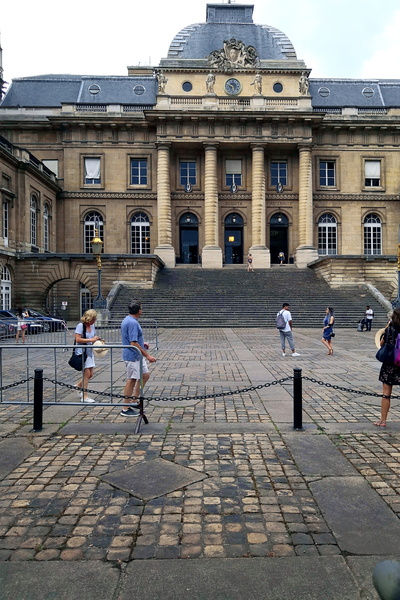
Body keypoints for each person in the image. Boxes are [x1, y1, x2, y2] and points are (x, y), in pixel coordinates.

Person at [120, 300, 157, 417]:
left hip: (136, 354)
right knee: (131, 380)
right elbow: (133, 342)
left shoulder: (129, 320)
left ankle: (134, 400)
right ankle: (125, 408)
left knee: (145, 375)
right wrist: (147, 355)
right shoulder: (133, 323)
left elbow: (134, 340)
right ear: (139, 311)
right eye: (141, 308)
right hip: (133, 356)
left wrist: (142, 343)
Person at [375, 308, 400, 427]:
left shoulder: (389, 329)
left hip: (390, 363)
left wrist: (387, 327)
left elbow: (381, 344)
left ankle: (383, 420)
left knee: (386, 394)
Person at [74, 309, 101, 403]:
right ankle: (85, 396)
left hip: (89, 351)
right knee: (86, 374)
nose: (95, 320)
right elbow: (78, 339)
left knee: (90, 374)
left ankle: (78, 386)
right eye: (94, 318)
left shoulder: (92, 326)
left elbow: (92, 337)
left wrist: (96, 339)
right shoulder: (80, 326)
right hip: (82, 352)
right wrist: (91, 340)